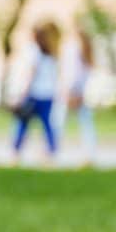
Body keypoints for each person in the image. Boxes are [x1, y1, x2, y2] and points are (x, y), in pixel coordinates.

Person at [10, 22, 60, 165]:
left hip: (34, 94)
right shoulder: (49, 52)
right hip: (48, 94)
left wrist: (22, 93)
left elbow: (30, 74)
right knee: (47, 125)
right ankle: (51, 152)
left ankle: (15, 152)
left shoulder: (33, 51)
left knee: (22, 124)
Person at [59, 25, 97, 167]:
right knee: (86, 124)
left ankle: (52, 150)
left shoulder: (73, 48)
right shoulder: (87, 50)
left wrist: (68, 91)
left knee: (58, 123)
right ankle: (89, 154)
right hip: (83, 91)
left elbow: (71, 72)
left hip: (72, 90)